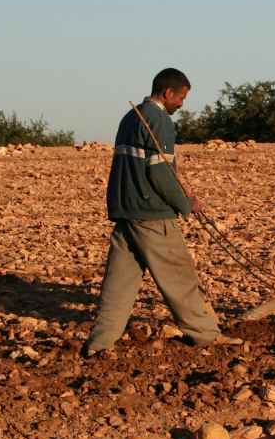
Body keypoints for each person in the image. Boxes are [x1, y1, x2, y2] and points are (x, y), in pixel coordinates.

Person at [83, 68, 239, 356]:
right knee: (179, 276)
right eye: (181, 98)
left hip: (126, 211)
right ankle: (206, 335)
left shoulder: (131, 117)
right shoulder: (159, 120)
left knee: (120, 282)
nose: (181, 104)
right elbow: (160, 174)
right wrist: (185, 203)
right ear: (168, 94)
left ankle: (100, 343)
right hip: (152, 214)